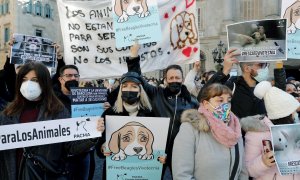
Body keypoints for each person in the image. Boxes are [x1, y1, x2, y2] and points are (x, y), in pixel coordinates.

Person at [0, 62, 104, 179]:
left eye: (35, 80)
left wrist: (92, 133)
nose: (28, 84)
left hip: (45, 174)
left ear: (44, 83)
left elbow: (70, 147)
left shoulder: (57, 111)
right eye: (24, 79)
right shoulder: (7, 114)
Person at [126, 44, 199, 178]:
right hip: (156, 148)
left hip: (181, 152)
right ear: (165, 80)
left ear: (182, 79)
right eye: (171, 78)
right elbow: (137, 77)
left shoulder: (192, 101)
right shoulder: (156, 93)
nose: (174, 81)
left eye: (177, 78)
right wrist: (134, 54)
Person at [97, 71, 166, 179]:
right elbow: (100, 142)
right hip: (116, 171)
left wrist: (160, 157)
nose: (129, 90)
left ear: (140, 91)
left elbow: (158, 144)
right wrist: (102, 148)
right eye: (125, 86)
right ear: (121, 90)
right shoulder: (109, 113)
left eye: (134, 87)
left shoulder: (152, 114)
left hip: (144, 172)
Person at [172, 83, 247, 180]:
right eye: (220, 100)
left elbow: (242, 171)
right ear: (206, 104)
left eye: (228, 101)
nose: (226, 105)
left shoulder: (235, 129)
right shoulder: (190, 129)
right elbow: (181, 174)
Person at [200, 48, 286, 119]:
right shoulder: (232, 86)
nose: (265, 68)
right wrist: (225, 70)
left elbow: (281, 97)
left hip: (264, 137)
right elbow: (202, 96)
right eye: (261, 65)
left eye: (267, 64)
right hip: (239, 137)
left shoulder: (265, 88)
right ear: (247, 69)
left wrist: (279, 65)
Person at [241, 81, 300, 179]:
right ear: (285, 113)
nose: (295, 113)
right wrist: (263, 162)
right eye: (293, 110)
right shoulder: (256, 132)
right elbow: (248, 170)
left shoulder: (296, 127)